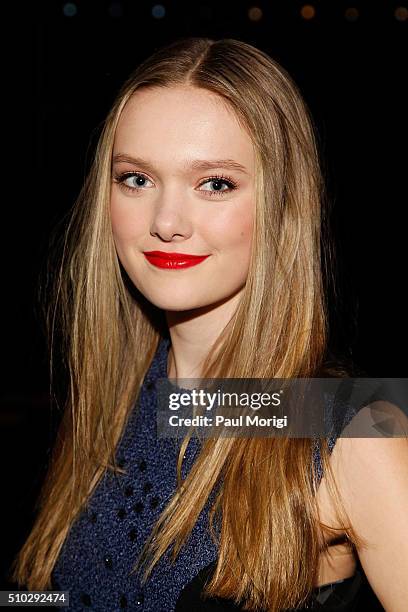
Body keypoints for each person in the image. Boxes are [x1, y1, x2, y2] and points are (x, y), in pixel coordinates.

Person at [11, 37, 408, 611]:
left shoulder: (352, 430)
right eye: (136, 179)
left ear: (283, 205)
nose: (166, 222)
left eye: (215, 184)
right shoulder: (116, 396)